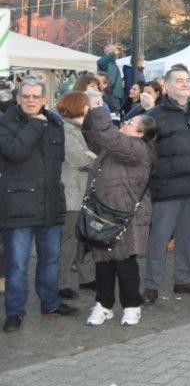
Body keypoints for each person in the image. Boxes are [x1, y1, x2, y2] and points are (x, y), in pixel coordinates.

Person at [1, 79, 78, 332]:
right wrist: (35, 125)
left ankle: (50, 303)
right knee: (17, 265)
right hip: (18, 204)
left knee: (51, 259)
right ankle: (14, 312)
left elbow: (59, 161)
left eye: (36, 96)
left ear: (45, 99)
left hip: (50, 203)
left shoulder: (55, 123)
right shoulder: (6, 122)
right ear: (18, 98)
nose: (30, 100)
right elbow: (14, 152)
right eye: (26, 96)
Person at [143, 65, 190, 305]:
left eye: (188, 80)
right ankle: (151, 285)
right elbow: (145, 151)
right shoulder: (155, 115)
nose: (186, 83)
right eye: (180, 80)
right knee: (159, 238)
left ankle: (183, 278)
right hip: (167, 189)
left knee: (189, 235)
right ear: (167, 86)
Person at [80, 106, 155, 326]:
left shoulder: (136, 148)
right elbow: (93, 135)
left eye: (130, 124)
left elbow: (108, 136)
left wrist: (99, 108)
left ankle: (132, 306)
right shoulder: (116, 147)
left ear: (141, 133)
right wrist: (89, 115)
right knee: (103, 261)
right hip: (103, 212)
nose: (124, 124)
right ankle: (104, 305)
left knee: (124, 261)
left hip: (124, 214)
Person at [56, 92, 97, 299]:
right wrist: (96, 156)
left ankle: (87, 277)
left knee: (84, 238)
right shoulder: (67, 130)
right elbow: (81, 159)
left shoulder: (76, 129)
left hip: (81, 193)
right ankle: (61, 283)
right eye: (88, 105)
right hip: (72, 195)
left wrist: (92, 155)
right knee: (70, 240)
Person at [96, 44, 125, 109]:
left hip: (116, 96)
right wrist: (113, 53)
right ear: (107, 52)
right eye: (112, 49)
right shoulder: (105, 63)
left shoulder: (113, 63)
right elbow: (100, 62)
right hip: (109, 95)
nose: (115, 51)